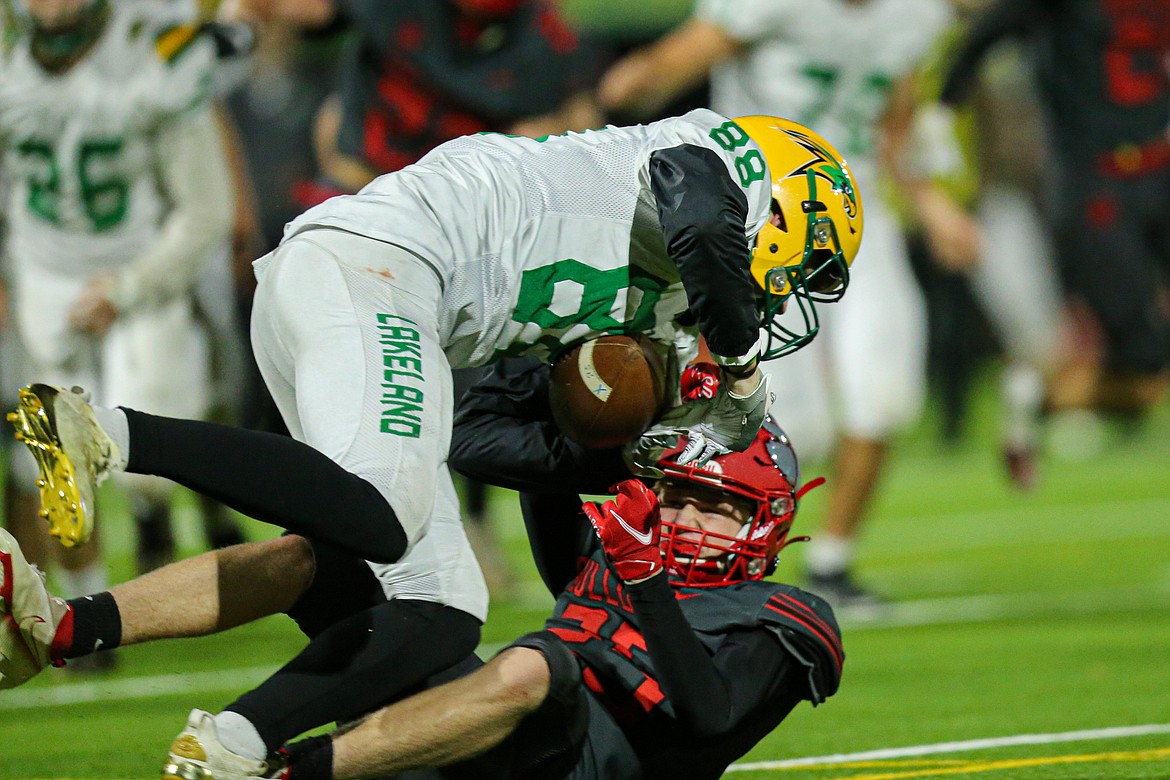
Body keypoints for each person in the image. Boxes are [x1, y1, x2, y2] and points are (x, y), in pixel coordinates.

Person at [0, 359, 842, 780]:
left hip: (564, 762)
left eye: (718, 505)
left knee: (539, 663)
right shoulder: (624, 545)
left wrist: (646, 578)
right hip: (482, 733)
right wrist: (564, 375)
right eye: (682, 495)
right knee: (322, 556)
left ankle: (283, 770)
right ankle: (64, 628)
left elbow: (707, 713)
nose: (690, 518)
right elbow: (514, 454)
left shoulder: (784, 615)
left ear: (767, 518)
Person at [598, 0, 960, 610]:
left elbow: (894, 118)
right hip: (764, 219)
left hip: (854, 215)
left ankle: (832, 561)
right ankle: (689, 556)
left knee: (885, 393)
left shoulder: (919, 13)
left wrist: (927, 200)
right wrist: (618, 107)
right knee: (791, 421)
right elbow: (662, 71)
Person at [0, 0, 238, 586]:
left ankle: (172, 520)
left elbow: (208, 210)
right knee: (49, 453)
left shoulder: (158, 54)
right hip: (41, 273)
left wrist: (130, 288)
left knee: (145, 469)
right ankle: (80, 611)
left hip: (143, 271)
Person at [941, 0, 1170, 452]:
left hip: (1160, 168)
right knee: (1143, 355)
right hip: (1098, 182)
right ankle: (1049, 401)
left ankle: (1053, 399)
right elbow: (984, 34)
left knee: (1146, 360)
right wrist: (943, 109)